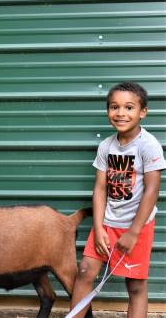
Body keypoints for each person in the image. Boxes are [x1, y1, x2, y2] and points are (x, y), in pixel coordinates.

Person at [70, 82, 166, 317]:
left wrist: (133, 232)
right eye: (114, 107)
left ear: (142, 112)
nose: (121, 113)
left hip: (136, 227)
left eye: (129, 107)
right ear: (108, 111)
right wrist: (98, 226)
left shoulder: (148, 145)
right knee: (84, 272)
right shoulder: (106, 146)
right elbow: (100, 188)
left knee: (135, 285)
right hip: (106, 224)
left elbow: (152, 190)